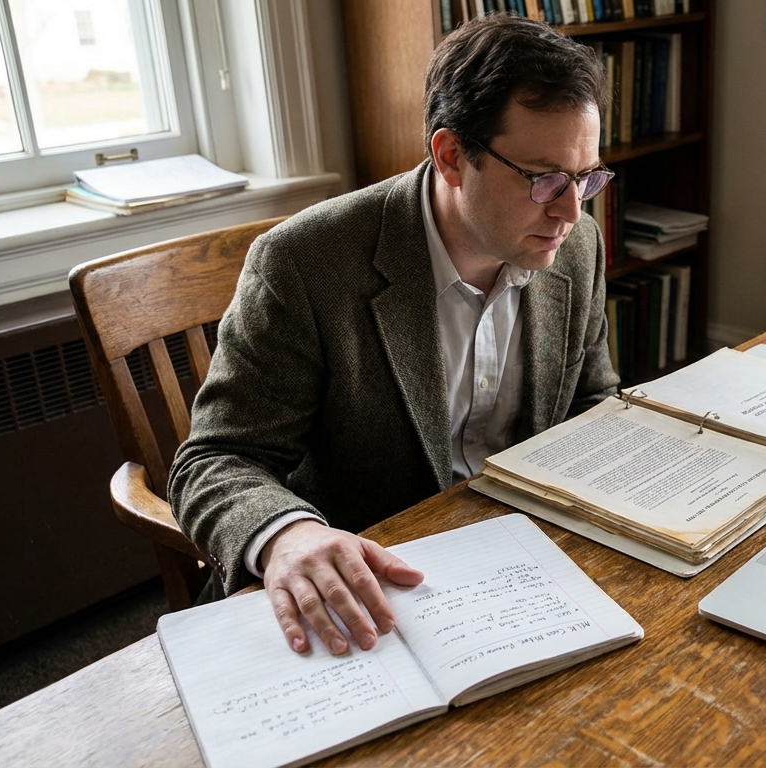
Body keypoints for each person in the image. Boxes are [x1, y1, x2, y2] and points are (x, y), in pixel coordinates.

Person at [169, 14, 618, 657]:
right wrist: (287, 536)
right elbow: (212, 461)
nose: (573, 210)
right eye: (544, 179)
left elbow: (591, 401)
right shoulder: (304, 264)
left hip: (522, 560)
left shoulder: (576, 247)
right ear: (452, 156)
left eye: (588, 177)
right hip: (369, 591)